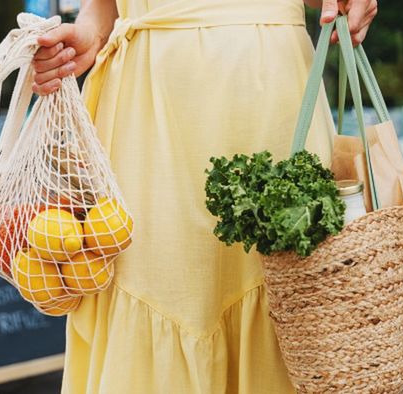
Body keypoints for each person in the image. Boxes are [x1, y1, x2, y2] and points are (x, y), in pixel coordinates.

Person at [32, 0, 377, 392]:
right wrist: (91, 33)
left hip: (269, 93)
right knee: (153, 288)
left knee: (287, 299)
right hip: (148, 109)